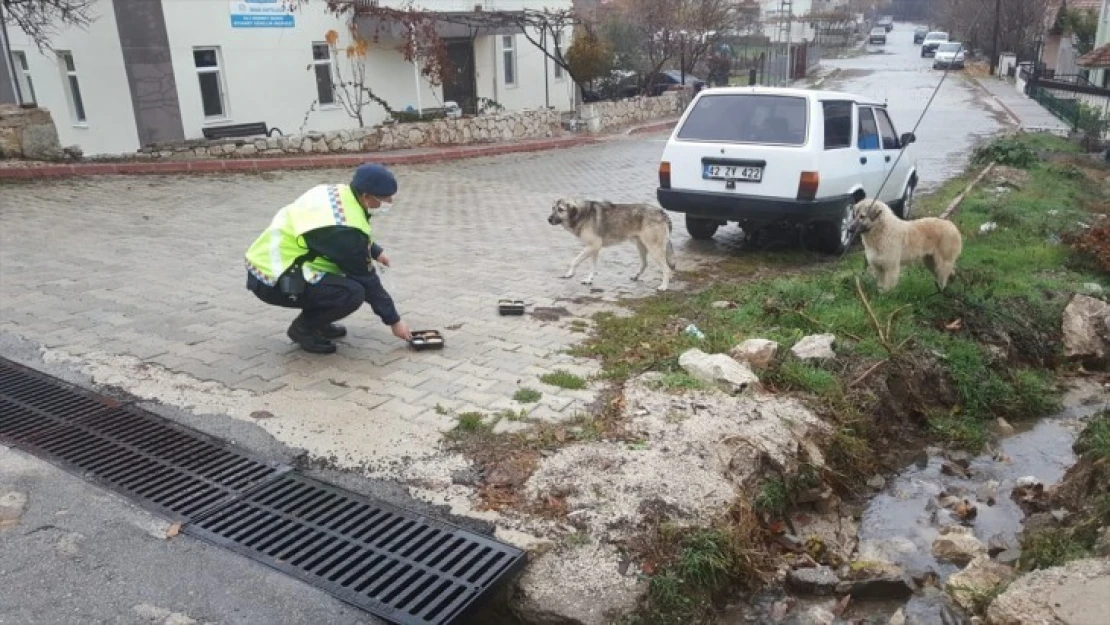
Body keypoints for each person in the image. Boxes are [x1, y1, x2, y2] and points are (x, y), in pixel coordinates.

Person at [244, 163, 412, 354]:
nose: (389, 202)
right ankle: (303, 329)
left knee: (340, 281)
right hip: (272, 279)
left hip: (270, 263)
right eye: (384, 198)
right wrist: (394, 321)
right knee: (352, 292)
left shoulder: (339, 194)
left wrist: (375, 251)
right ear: (366, 197)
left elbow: (351, 233)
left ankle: (319, 322)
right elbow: (367, 279)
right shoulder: (343, 230)